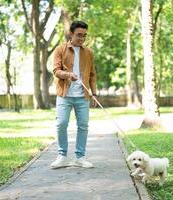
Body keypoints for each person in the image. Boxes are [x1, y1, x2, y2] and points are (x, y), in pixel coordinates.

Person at [51, 20, 97, 169]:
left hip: (83, 96)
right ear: (71, 34)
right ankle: (62, 156)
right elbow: (56, 71)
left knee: (83, 126)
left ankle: (79, 157)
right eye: (79, 35)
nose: (82, 38)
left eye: (84, 35)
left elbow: (92, 74)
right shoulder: (60, 49)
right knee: (61, 124)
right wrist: (68, 75)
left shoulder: (89, 52)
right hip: (64, 94)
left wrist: (94, 93)